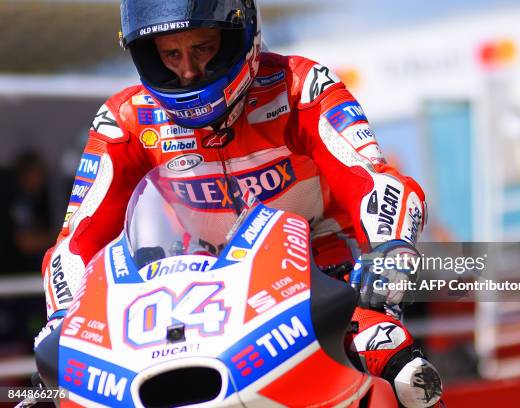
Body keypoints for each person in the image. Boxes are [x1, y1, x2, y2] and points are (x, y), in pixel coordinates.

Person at [37, 1, 442, 406]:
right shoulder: (124, 118)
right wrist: (62, 319)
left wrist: (388, 254)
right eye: (171, 54)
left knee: (405, 375)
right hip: (196, 302)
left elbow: (376, 180)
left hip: (324, 283)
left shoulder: (301, 85)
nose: (189, 70)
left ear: (238, 34)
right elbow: (76, 239)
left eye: (202, 47)